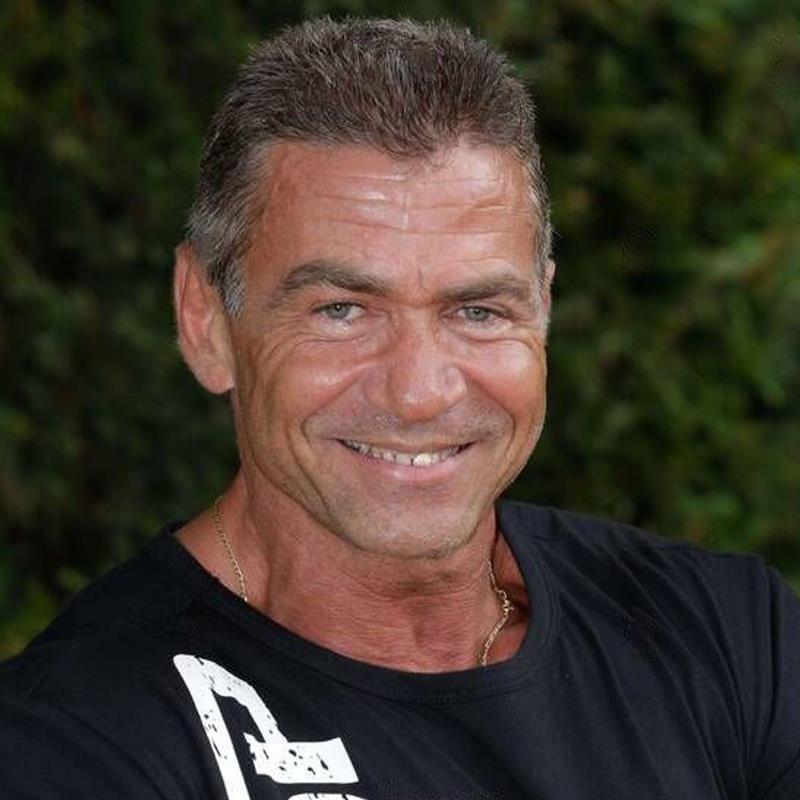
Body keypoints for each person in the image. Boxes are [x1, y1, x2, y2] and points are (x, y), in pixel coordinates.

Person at [1, 17, 798, 800]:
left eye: (478, 311)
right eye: (342, 310)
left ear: (544, 308)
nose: (419, 393)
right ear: (205, 320)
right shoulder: (73, 744)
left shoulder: (725, 635)